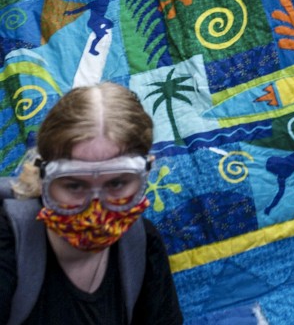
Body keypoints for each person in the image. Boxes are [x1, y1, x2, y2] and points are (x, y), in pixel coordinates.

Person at [0, 83, 182, 324]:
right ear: (44, 179)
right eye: (74, 186)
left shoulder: (143, 246)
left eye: (117, 183)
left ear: (144, 176)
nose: (95, 210)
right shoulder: (7, 244)